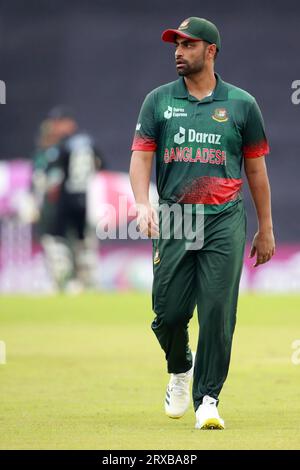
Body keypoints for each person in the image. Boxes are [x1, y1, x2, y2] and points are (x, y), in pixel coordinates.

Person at [129, 17, 275, 430]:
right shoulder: (157, 101)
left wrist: (266, 228)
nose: (178, 51)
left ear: (210, 51)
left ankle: (208, 399)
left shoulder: (242, 104)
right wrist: (143, 204)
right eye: (176, 44)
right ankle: (179, 368)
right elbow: (141, 157)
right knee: (169, 314)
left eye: (188, 45)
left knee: (217, 311)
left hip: (224, 218)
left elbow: (257, 172)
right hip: (175, 217)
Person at [33, 106, 105, 291]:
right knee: (84, 243)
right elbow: (101, 166)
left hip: (65, 202)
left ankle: (66, 282)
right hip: (88, 200)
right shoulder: (87, 141)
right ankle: (86, 282)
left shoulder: (60, 146)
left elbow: (51, 178)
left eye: (58, 123)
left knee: (61, 242)